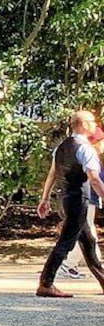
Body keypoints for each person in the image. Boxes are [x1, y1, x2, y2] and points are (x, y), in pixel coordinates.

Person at [36, 111, 104, 298]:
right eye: (91, 121)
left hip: (64, 200)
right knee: (66, 242)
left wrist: (45, 198)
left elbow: (52, 174)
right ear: (82, 124)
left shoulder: (61, 148)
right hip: (78, 200)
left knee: (88, 241)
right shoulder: (85, 149)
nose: (94, 123)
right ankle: (46, 283)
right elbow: (94, 179)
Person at [58, 126, 104, 279]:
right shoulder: (87, 153)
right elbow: (94, 179)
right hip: (85, 195)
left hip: (88, 196)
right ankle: (70, 264)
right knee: (87, 232)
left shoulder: (90, 155)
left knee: (85, 234)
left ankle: (69, 264)